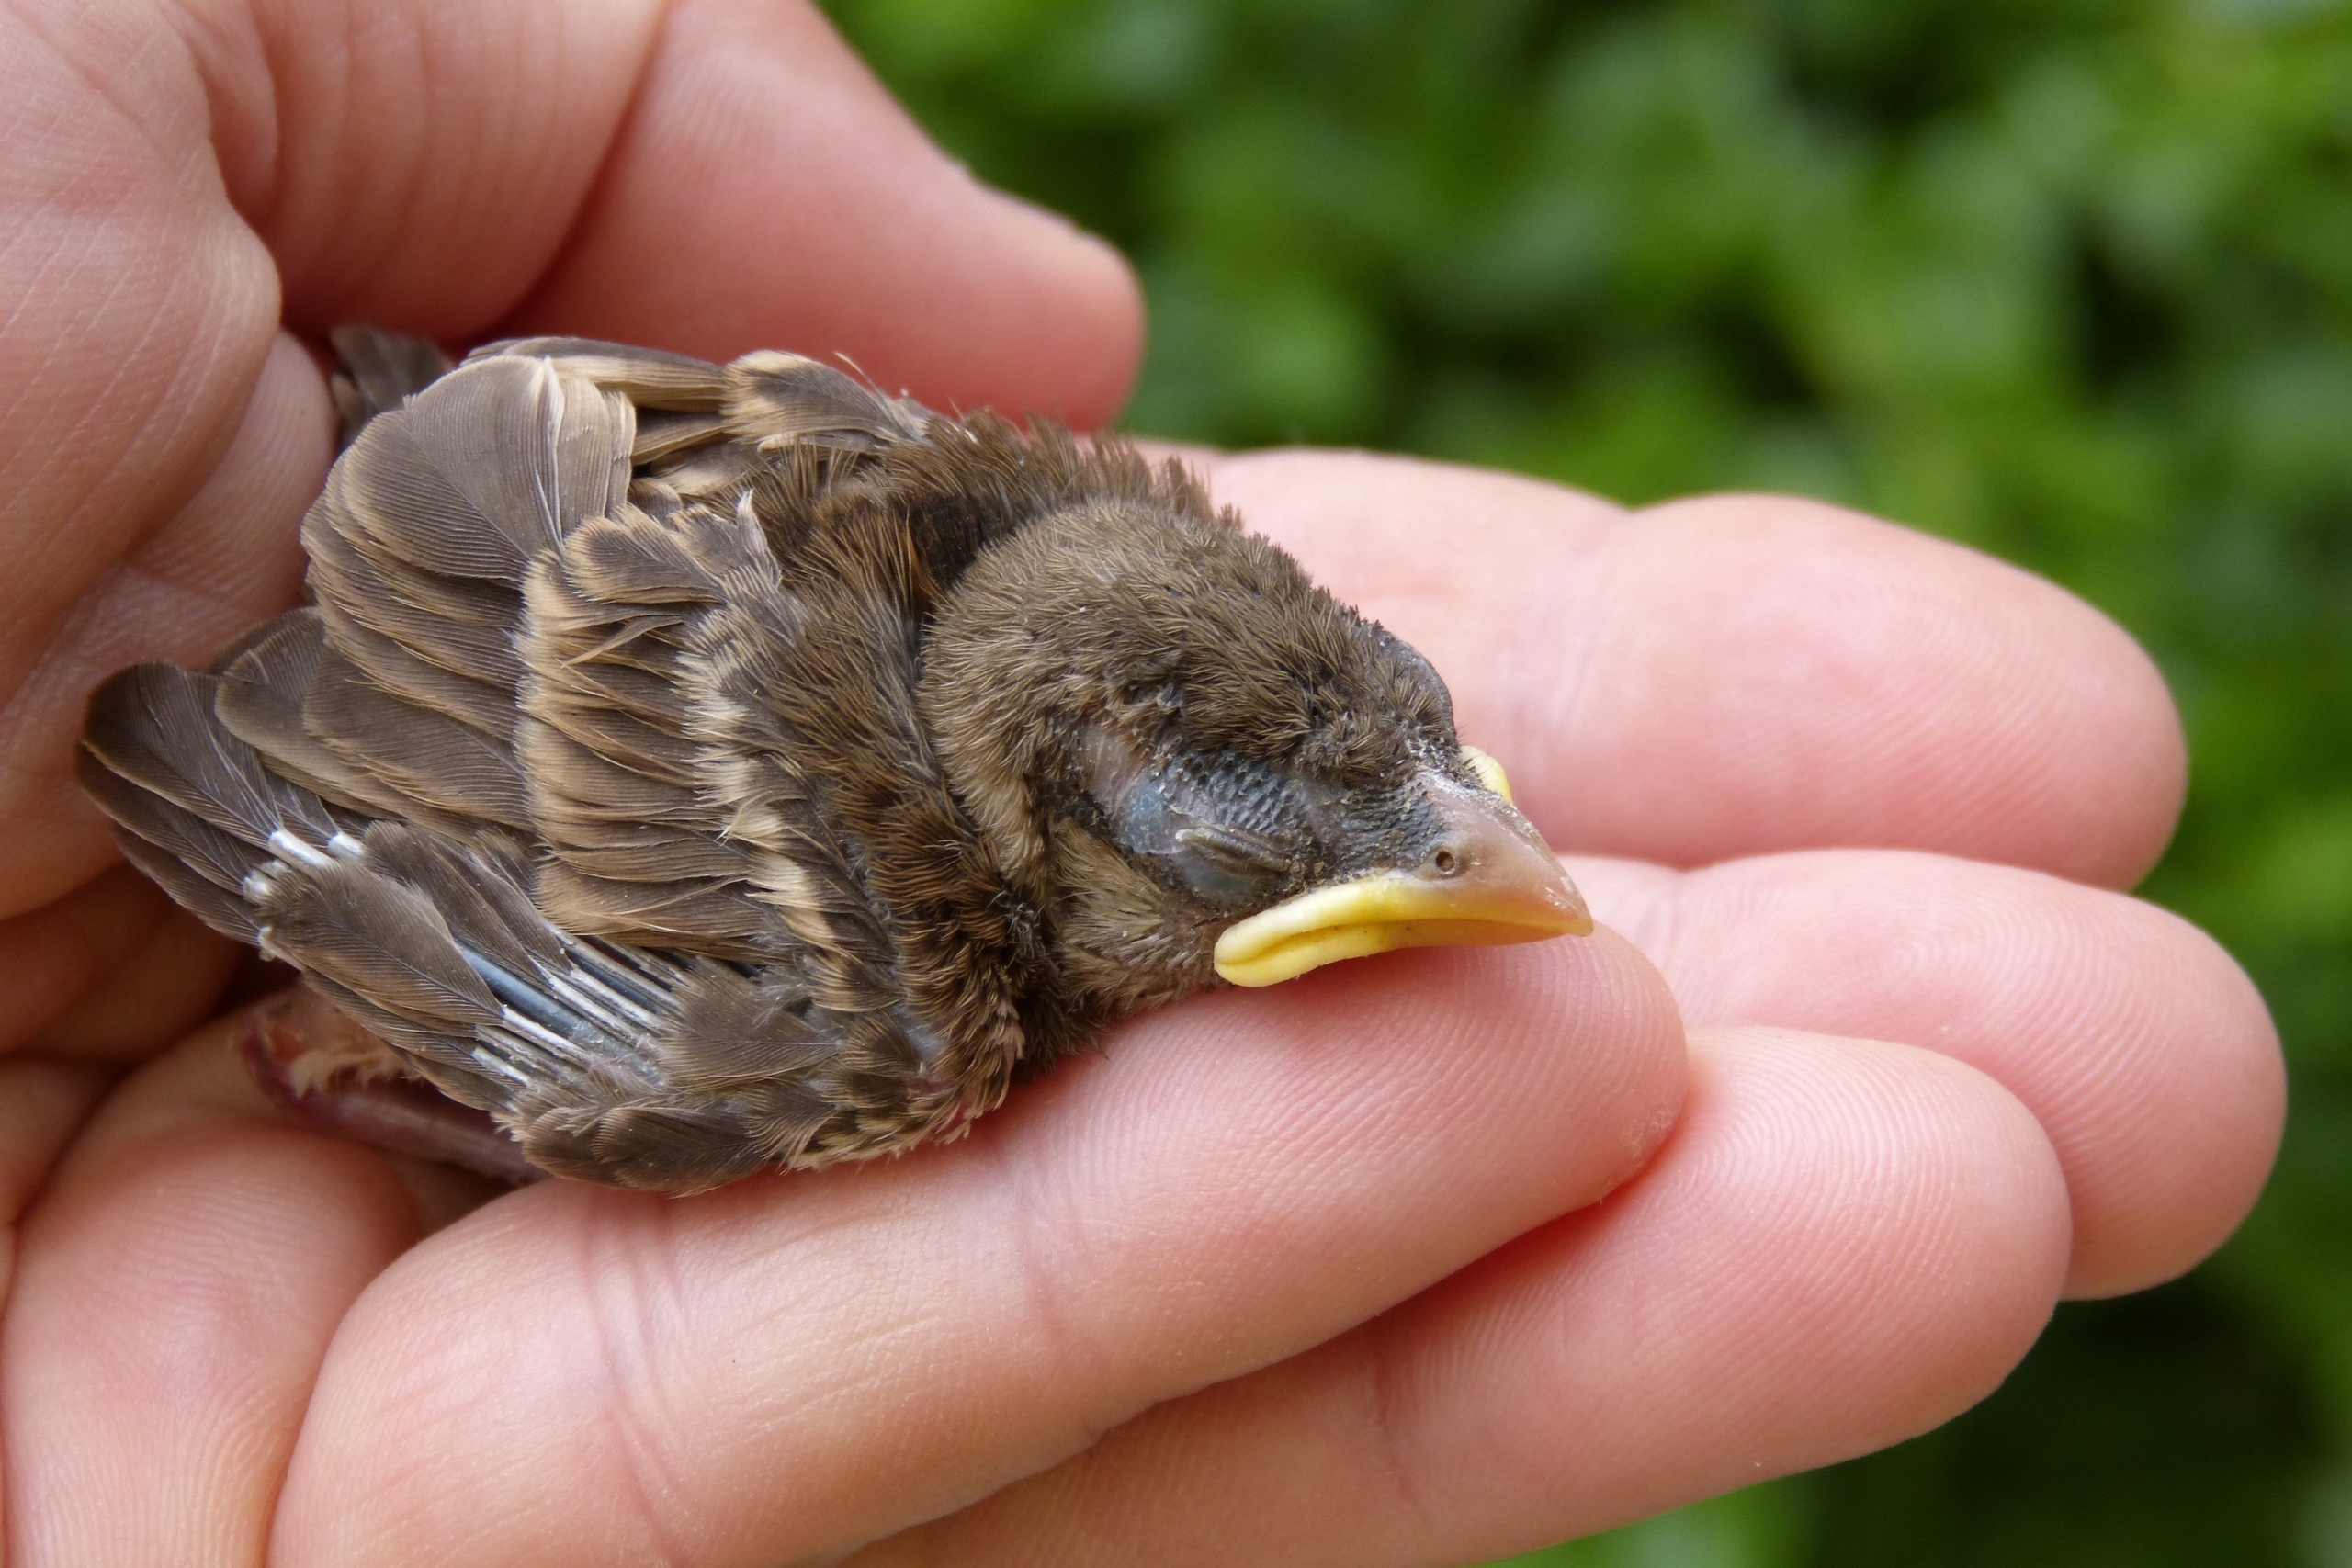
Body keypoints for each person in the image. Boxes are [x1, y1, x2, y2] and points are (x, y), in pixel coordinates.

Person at [0, 1, 2282, 1563]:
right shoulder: (907, 979)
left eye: (1428, 774)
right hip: (406, 644)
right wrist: (393, 996)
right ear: (1078, 824)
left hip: (506, 488)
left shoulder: (1092, 562)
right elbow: (518, 967)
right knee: (759, 1060)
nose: (1466, 835)